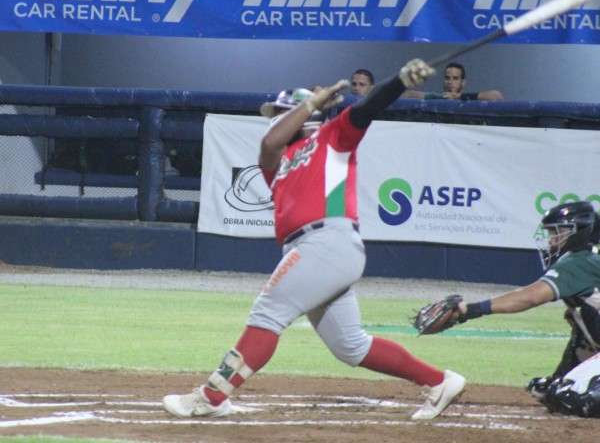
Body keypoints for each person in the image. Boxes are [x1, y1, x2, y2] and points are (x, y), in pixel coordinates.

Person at [162, 59, 466, 421]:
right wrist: (311, 103)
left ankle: (210, 398)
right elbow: (270, 141)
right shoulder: (277, 159)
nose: (273, 118)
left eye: (279, 112)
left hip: (327, 242)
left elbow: (369, 107)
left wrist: (400, 81)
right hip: (312, 249)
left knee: (268, 313)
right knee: (351, 346)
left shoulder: (333, 136)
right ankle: (438, 382)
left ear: (304, 116)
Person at [446, 201, 600, 417]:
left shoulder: (579, 262)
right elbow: (585, 337)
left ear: (579, 232)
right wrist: (562, 377)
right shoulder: (587, 260)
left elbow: (529, 297)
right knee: (551, 390)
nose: (552, 239)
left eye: (559, 232)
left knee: (571, 397)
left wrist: (470, 310)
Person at [402, 62, 503, 101]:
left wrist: (458, 97)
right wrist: (440, 97)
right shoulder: (435, 98)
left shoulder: (469, 101)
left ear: (462, 82)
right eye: (447, 78)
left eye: (455, 78)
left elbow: (496, 96)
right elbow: (407, 94)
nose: (450, 82)